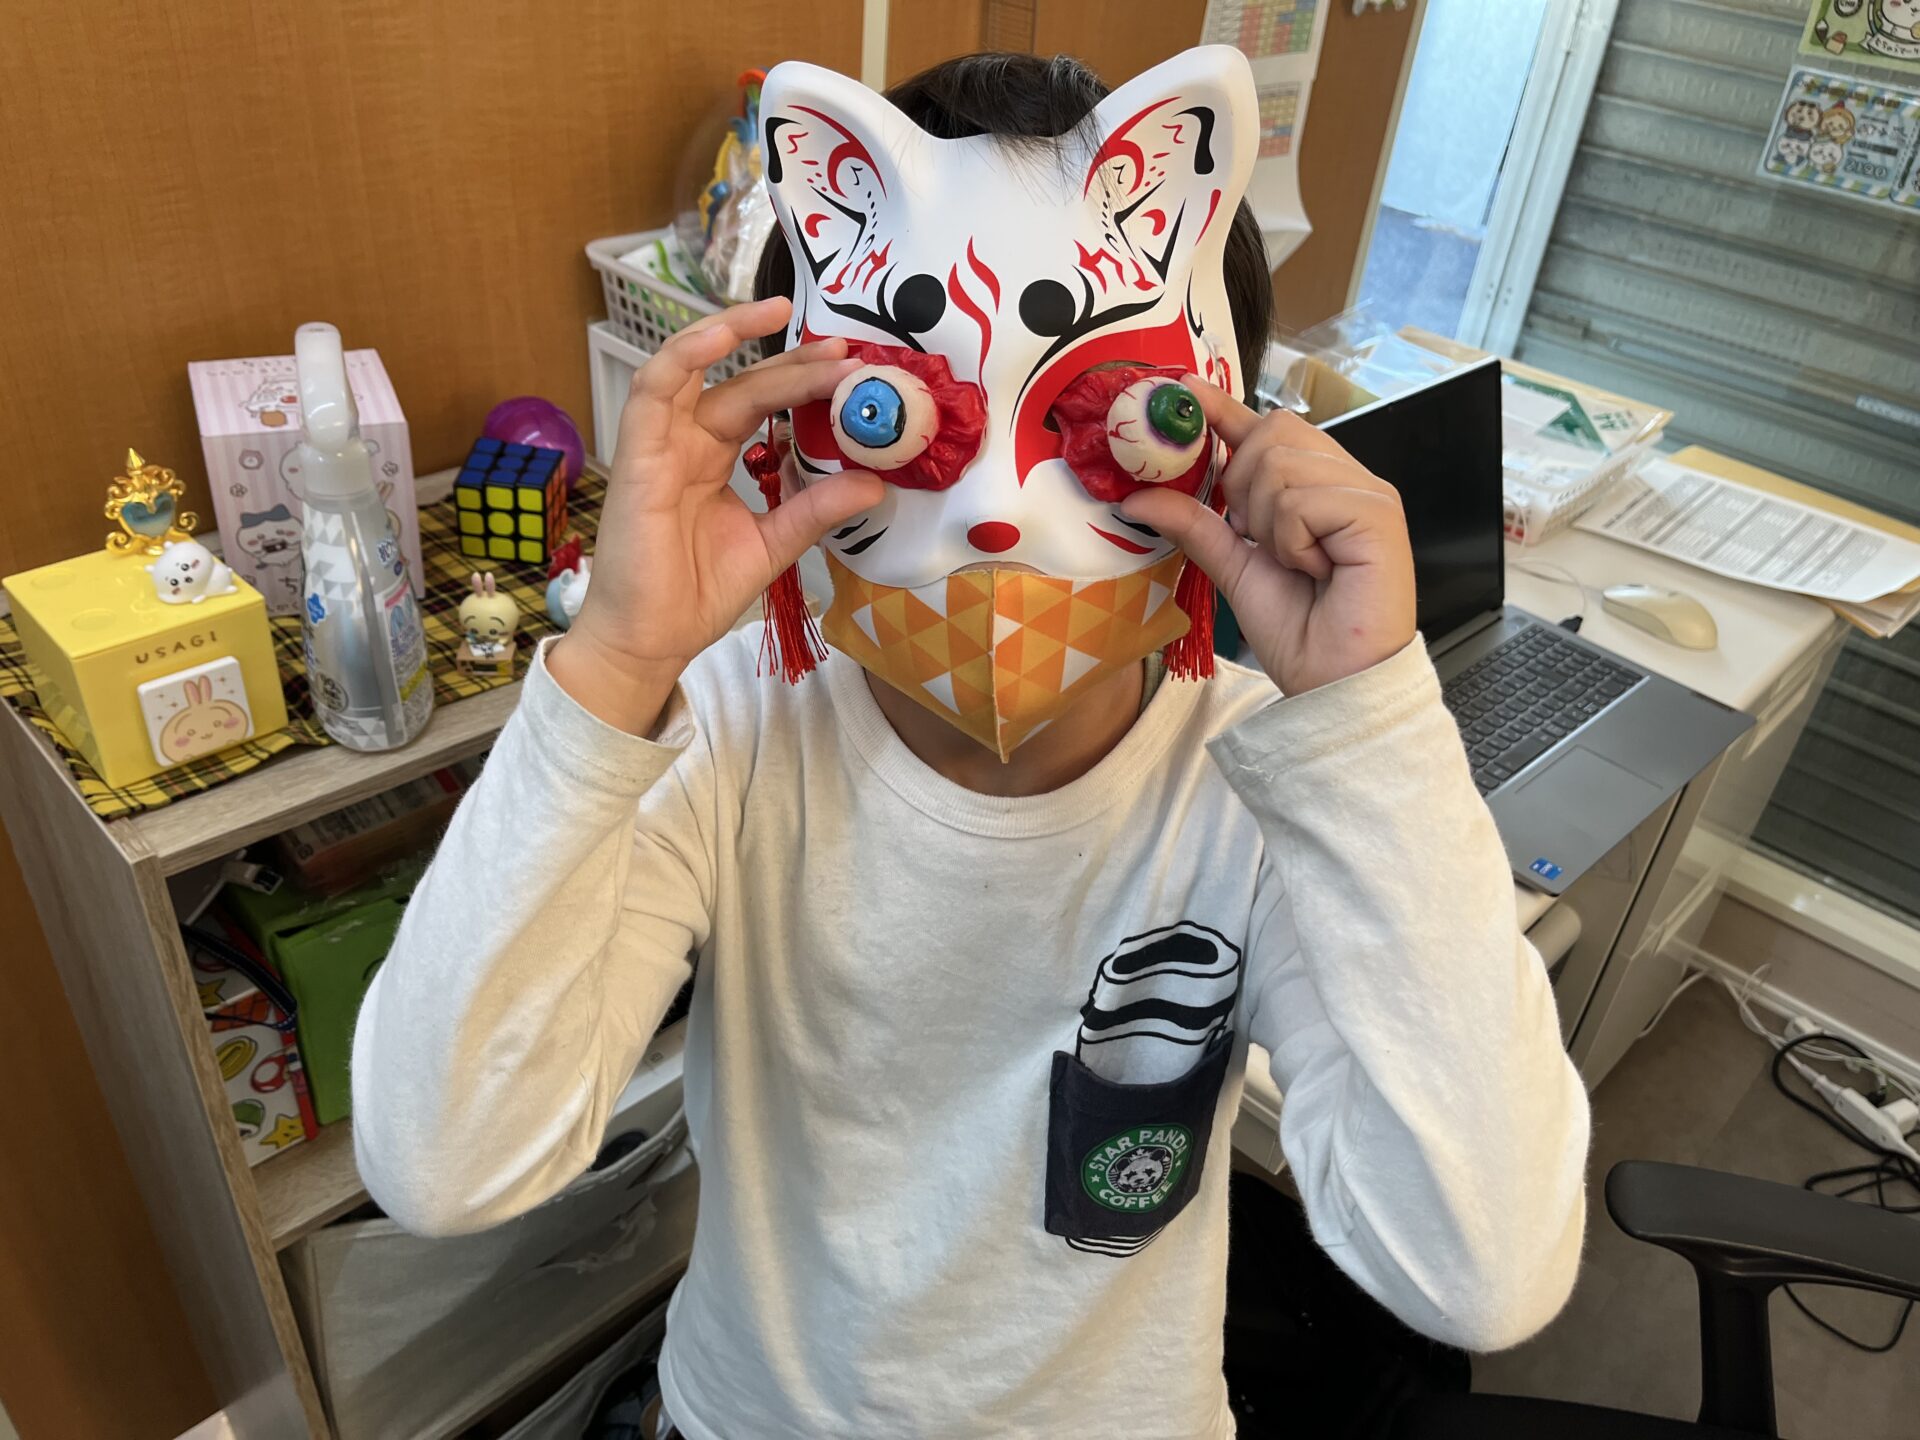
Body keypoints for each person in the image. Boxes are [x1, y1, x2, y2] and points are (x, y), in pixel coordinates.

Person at [353, 46, 1589, 1440]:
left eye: (1108, 417)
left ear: (1227, 433)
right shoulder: (737, 739)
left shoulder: (1261, 794)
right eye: (895, 410)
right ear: (794, 424)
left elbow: (1479, 1268)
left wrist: (1370, 726)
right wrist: (614, 670)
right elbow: (445, 1163)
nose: (999, 515)